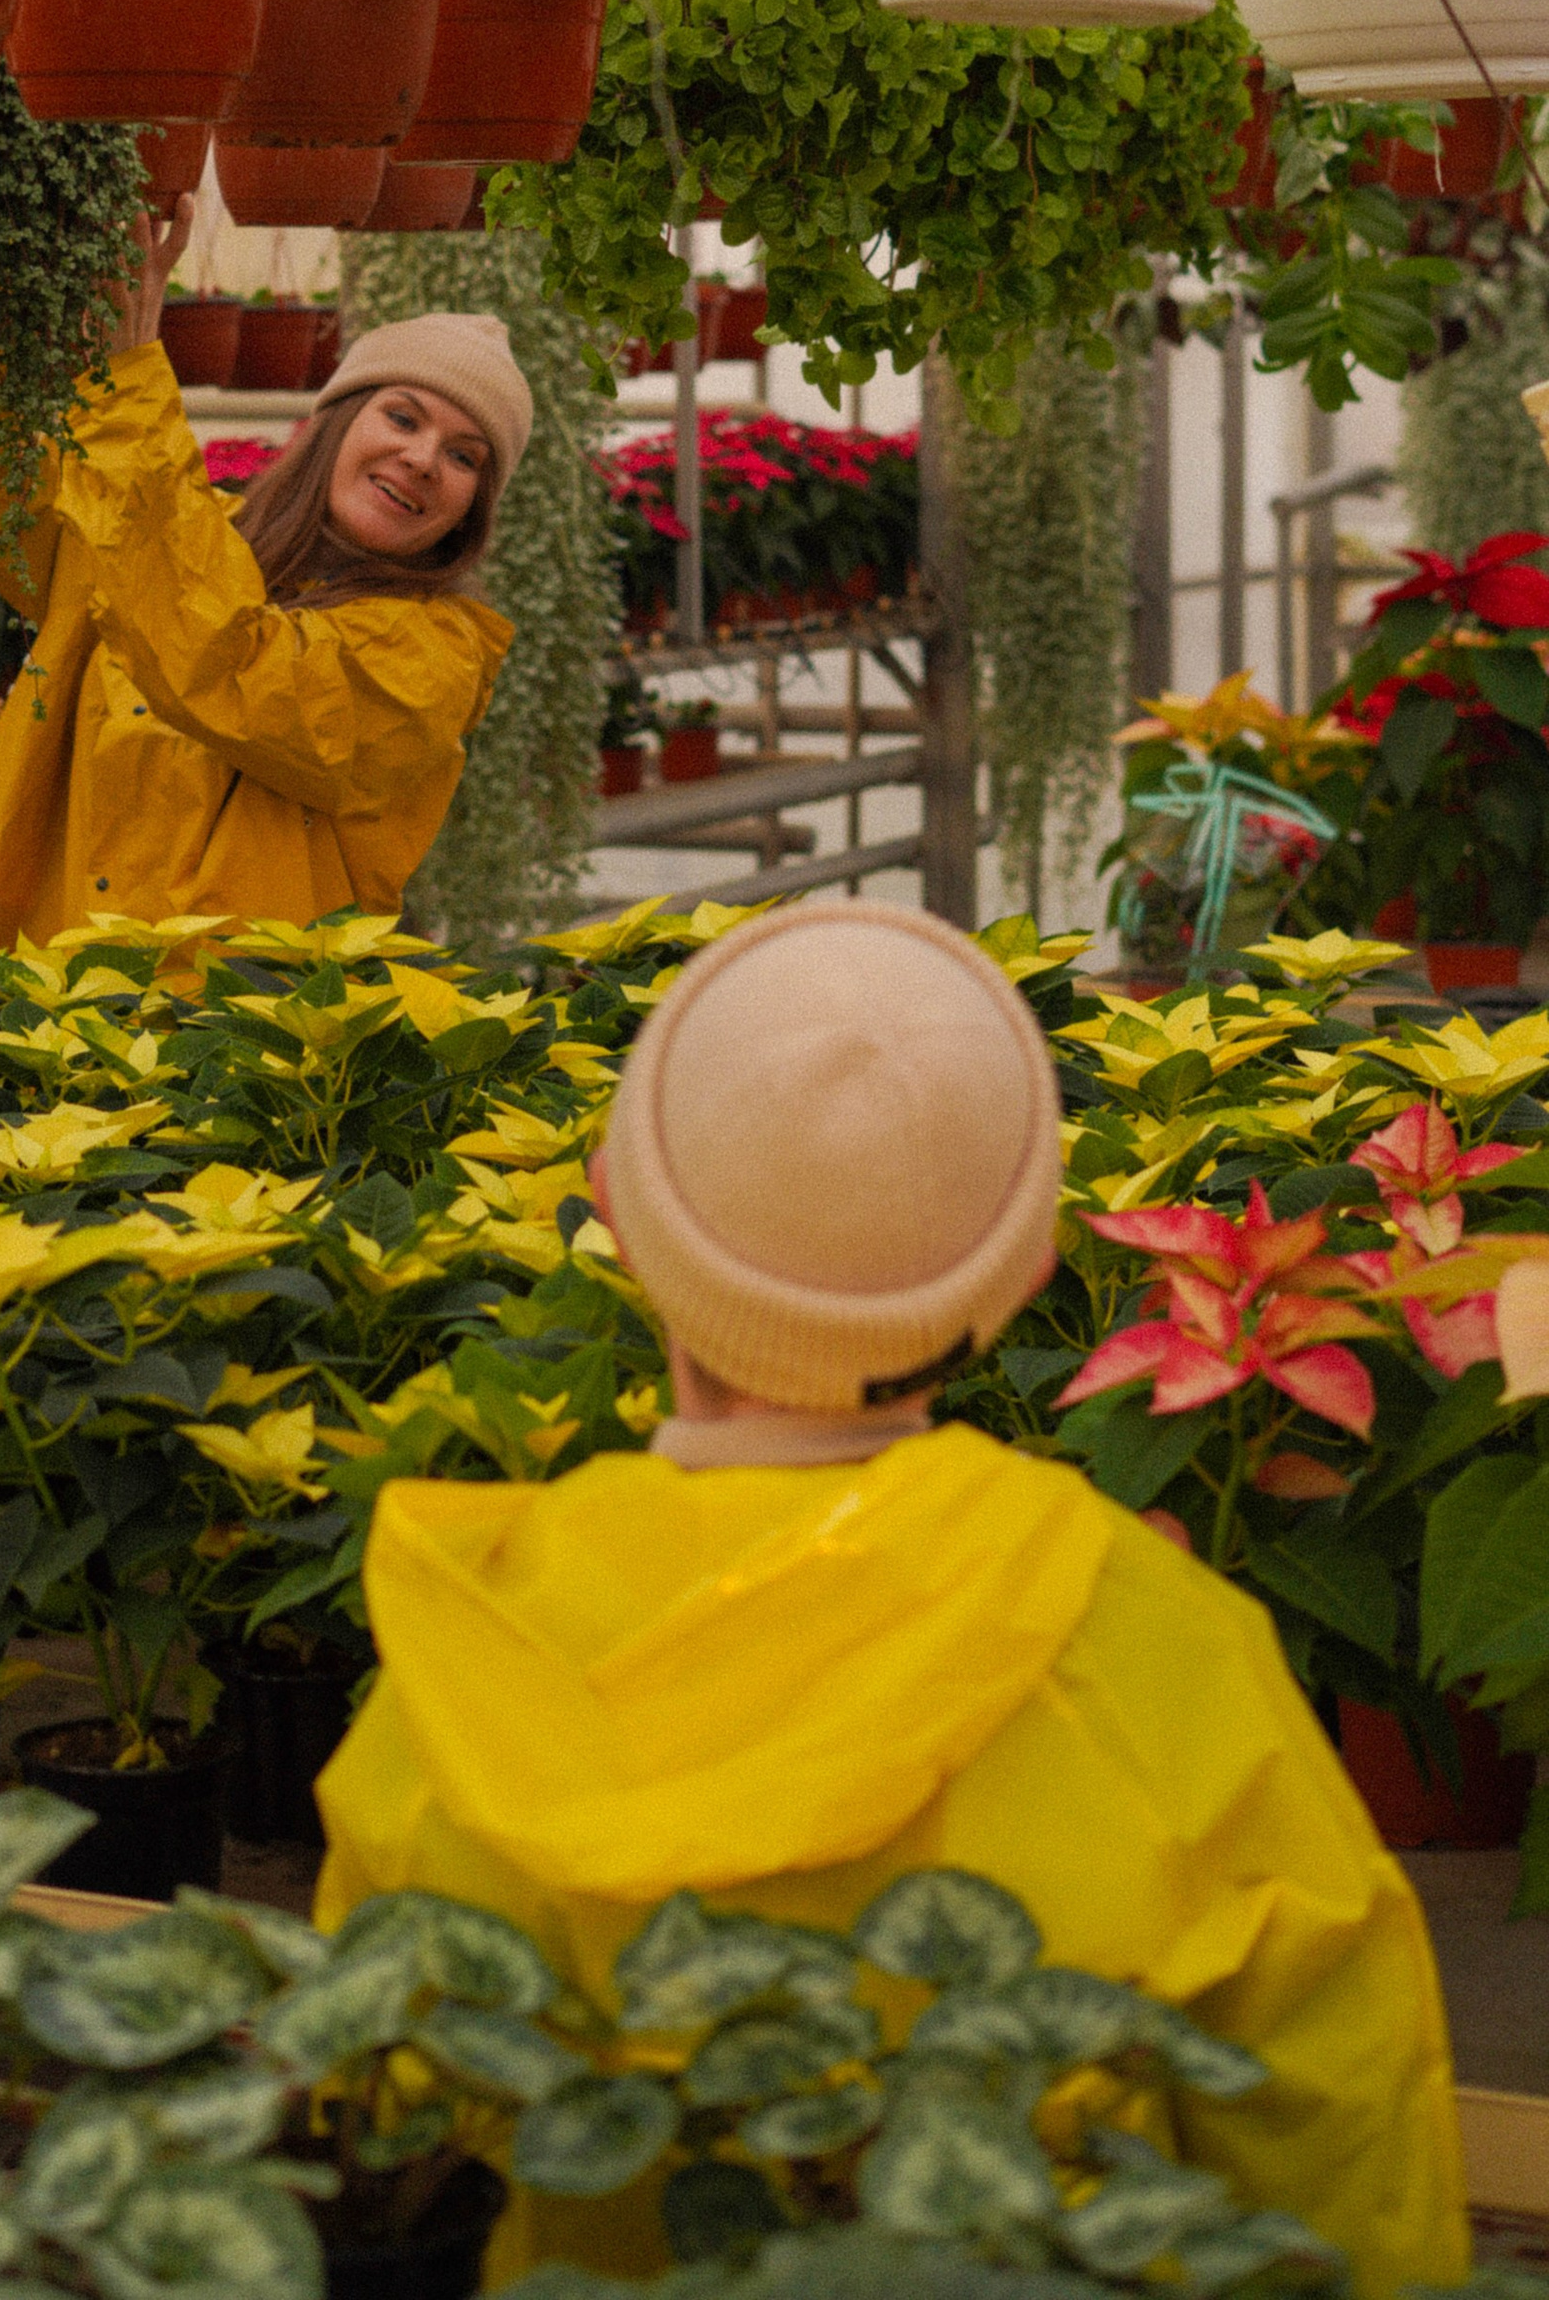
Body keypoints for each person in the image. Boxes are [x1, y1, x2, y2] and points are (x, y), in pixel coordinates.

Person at [315, 897, 1466, 2299]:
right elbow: (1346, 2140)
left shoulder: (467, 1656)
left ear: (618, 1220)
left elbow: (365, 2134)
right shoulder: (1168, 1649)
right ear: (1029, 1268)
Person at [0, 204, 526, 966]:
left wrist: (126, 390)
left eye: (465, 456)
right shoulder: (161, 533)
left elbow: (225, 663)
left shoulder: (432, 655)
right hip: (29, 1008)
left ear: (473, 507)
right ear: (334, 423)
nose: (422, 459)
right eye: (402, 417)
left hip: (230, 1053)